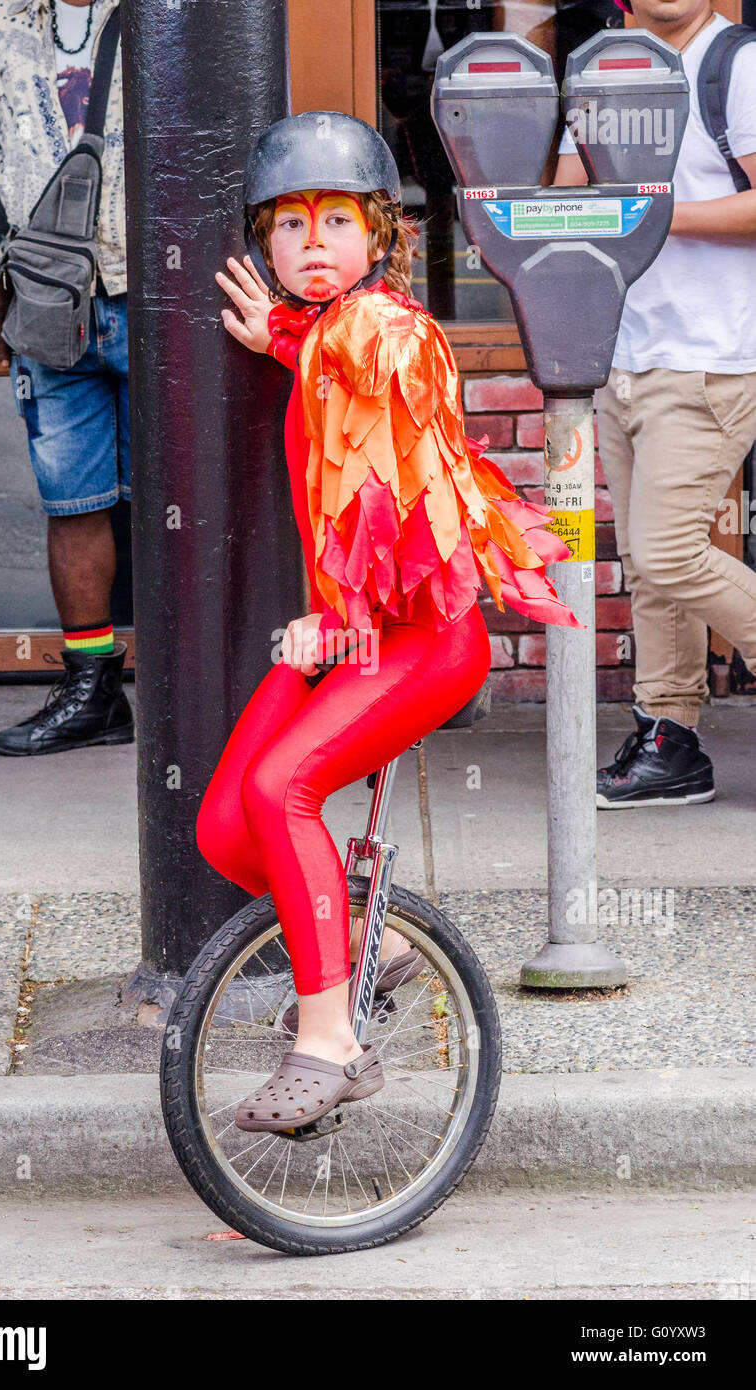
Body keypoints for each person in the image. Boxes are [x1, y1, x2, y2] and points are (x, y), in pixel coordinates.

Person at [194, 112, 579, 1136]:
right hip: (352, 632)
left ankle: (331, 1038)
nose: (310, 241)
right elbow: (333, 363)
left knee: (283, 788)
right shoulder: (334, 333)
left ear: (379, 238)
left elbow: (383, 399)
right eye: (287, 226)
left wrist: (345, 619)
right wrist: (280, 332)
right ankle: (387, 949)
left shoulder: (388, 330)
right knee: (227, 825)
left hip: (416, 637)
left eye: (334, 220)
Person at [0, 0, 133, 757]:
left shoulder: (164, 10)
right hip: (47, 297)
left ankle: (201, 686)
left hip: (160, 292)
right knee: (72, 499)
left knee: (189, 501)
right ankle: (93, 689)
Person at [555, 0, 756, 808]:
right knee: (648, 566)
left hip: (708, 357)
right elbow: (569, 196)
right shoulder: (603, 66)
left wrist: (651, 214)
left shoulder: (735, 64)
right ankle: (669, 737)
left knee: (670, 551)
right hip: (621, 352)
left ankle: (671, 730)